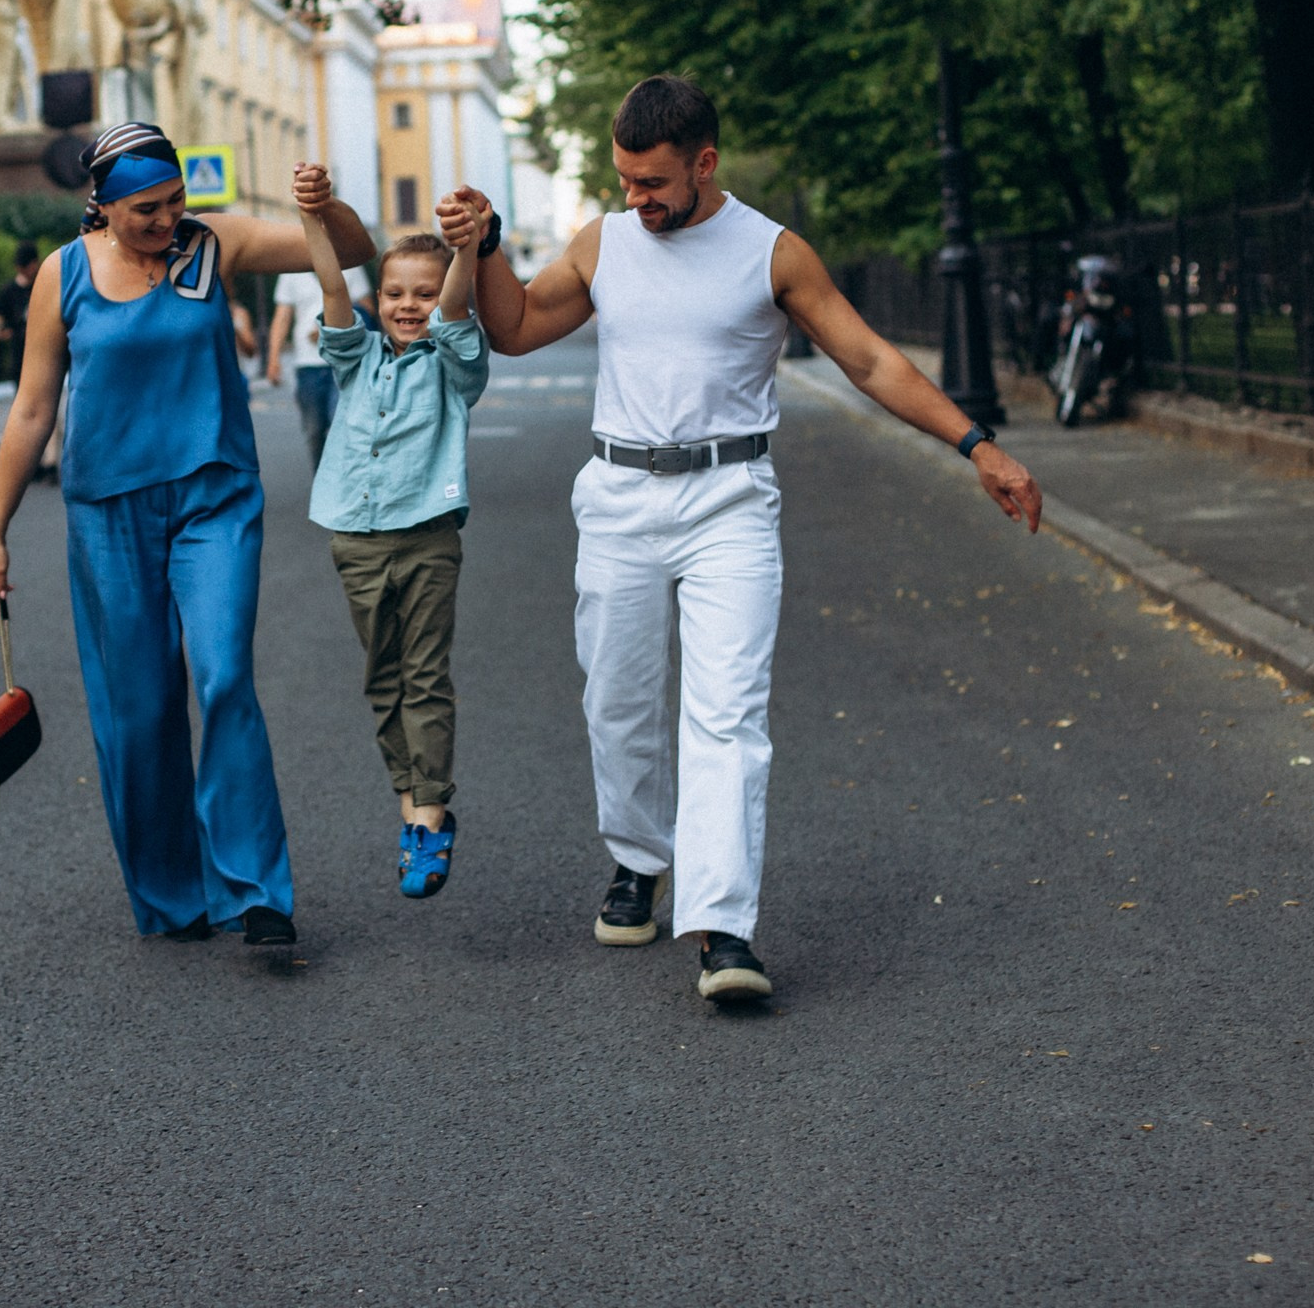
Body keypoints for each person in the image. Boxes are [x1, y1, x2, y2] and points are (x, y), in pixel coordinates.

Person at [451, 75, 1042, 1004]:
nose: (637, 199)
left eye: (652, 183)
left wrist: (978, 444)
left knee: (726, 715)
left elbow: (871, 359)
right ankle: (640, 861)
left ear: (704, 163)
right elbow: (517, 327)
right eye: (625, 180)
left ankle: (724, 927)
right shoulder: (604, 242)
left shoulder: (773, 252)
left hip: (730, 500)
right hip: (617, 495)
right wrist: (485, 248)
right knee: (618, 698)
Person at [0, 123, 376, 945]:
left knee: (224, 674)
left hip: (213, 496)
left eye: (176, 201)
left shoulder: (213, 244)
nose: (166, 220)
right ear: (104, 205)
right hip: (106, 512)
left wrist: (322, 205)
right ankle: (172, 894)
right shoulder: (64, 276)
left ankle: (255, 888)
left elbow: (351, 251)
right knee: (138, 707)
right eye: (147, 209)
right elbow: (33, 407)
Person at [303, 214, 489, 899]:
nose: (407, 306)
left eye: (423, 294)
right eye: (394, 294)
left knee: (424, 674)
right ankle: (410, 802)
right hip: (355, 536)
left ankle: (431, 817)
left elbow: (458, 308)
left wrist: (465, 249)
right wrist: (310, 216)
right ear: (377, 299)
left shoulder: (454, 363)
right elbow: (329, 281)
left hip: (428, 536)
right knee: (382, 679)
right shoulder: (354, 357)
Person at [268, 260, 375, 471]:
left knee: (343, 425)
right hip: (307, 364)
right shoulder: (291, 269)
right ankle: (323, 480)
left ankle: (346, 481)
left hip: (345, 362)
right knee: (314, 431)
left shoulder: (349, 263)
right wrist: (273, 359)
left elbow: (368, 309)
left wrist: (333, 326)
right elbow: (282, 316)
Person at [0, 237, 63, 483]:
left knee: (49, 410)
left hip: (52, 358)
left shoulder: (46, 283)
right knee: (30, 412)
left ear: (34, 264)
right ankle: (37, 461)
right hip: (22, 361)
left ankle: (50, 460)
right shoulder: (10, 291)